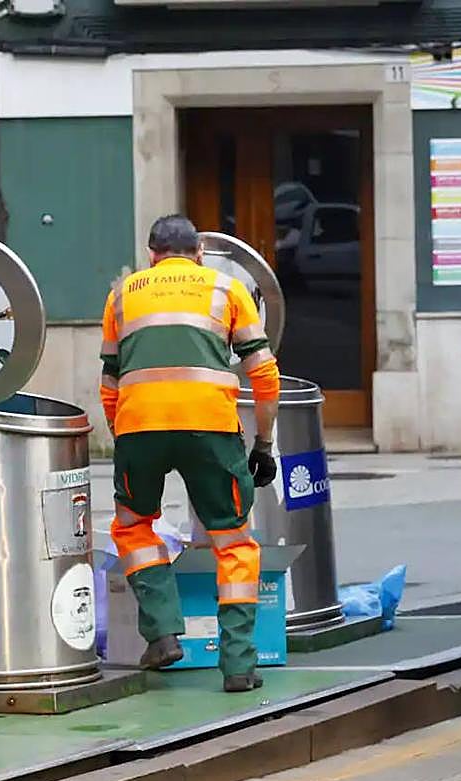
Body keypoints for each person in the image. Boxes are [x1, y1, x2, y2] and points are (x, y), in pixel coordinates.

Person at [100, 215, 282, 692]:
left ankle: (162, 632)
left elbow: (110, 383)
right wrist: (263, 443)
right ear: (199, 252)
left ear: (152, 254)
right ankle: (239, 666)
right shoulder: (226, 288)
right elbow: (264, 375)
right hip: (211, 430)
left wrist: (125, 439)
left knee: (134, 525)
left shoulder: (123, 293)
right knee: (233, 540)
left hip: (140, 427)